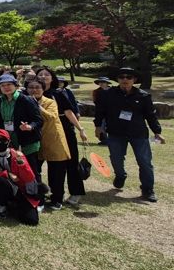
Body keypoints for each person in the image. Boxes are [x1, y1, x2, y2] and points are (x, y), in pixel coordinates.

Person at [94, 67, 165, 202]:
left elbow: (151, 116)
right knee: (116, 159)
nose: (125, 79)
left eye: (129, 77)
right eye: (122, 77)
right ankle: (120, 175)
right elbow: (100, 111)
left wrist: (157, 132)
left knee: (145, 162)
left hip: (138, 133)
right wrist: (98, 127)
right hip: (115, 132)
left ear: (135, 80)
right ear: (117, 80)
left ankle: (147, 189)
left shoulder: (143, 96)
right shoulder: (107, 94)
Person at [35, 68, 87, 207]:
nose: (44, 76)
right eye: (40, 74)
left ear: (52, 78)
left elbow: (69, 112)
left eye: (47, 74)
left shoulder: (58, 93)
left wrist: (80, 129)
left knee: (71, 161)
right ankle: (41, 192)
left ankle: (76, 192)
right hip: (40, 130)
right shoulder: (32, 92)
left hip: (62, 129)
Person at [0, 128, 43, 225]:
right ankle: (2, 206)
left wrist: (22, 165)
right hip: (1, 188)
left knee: (32, 220)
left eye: (3, 140)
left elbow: (29, 178)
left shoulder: (17, 155)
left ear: (8, 141)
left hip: (20, 190)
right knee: (0, 181)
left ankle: (13, 205)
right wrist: (5, 173)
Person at [25, 77, 71, 210]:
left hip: (53, 139)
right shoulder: (24, 101)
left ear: (43, 89)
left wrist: (36, 106)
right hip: (34, 141)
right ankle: (37, 195)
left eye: (37, 87)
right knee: (33, 170)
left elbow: (52, 117)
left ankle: (57, 198)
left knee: (56, 172)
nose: (34, 90)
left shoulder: (50, 102)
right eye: (31, 87)